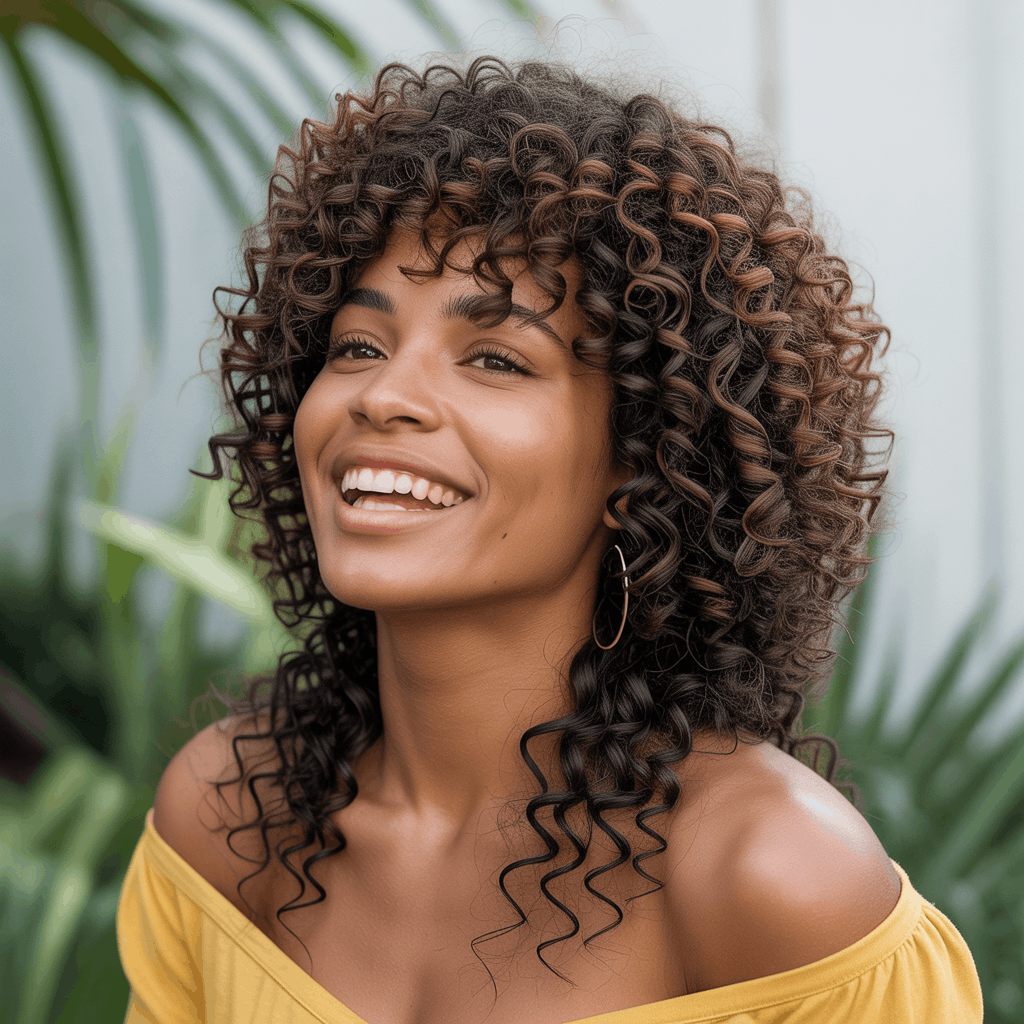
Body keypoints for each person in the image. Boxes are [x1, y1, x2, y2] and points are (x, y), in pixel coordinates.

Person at [116, 56, 983, 1023]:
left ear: (644, 460)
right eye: (357, 346)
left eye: (494, 357)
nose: (384, 397)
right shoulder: (231, 821)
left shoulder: (772, 880)